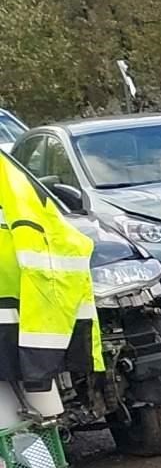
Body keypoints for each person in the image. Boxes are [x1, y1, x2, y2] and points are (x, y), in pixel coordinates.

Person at [0, 150, 98, 423]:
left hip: (19, 327)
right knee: (30, 421)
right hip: (24, 327)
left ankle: (32, 459)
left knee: (21, 427)